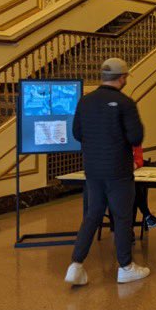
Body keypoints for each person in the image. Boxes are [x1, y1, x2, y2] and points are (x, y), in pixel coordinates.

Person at [64, 58, 150, 286]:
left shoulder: (85, 101)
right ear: (122, 78)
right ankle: (126, 266)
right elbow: (136, 137)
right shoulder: (125, 103)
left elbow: (77, 133)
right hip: (118, 170)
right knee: (122, 217)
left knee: (92, 215)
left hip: (93, 169)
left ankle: (76, 264)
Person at [132, 145, 156, 234]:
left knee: (133, 189)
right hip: (111, 180)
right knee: (133, 190)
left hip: (125, 178)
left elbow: (139, 160)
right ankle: (147, 215)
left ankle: (129, 230)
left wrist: (134, 165)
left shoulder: (135, 143)